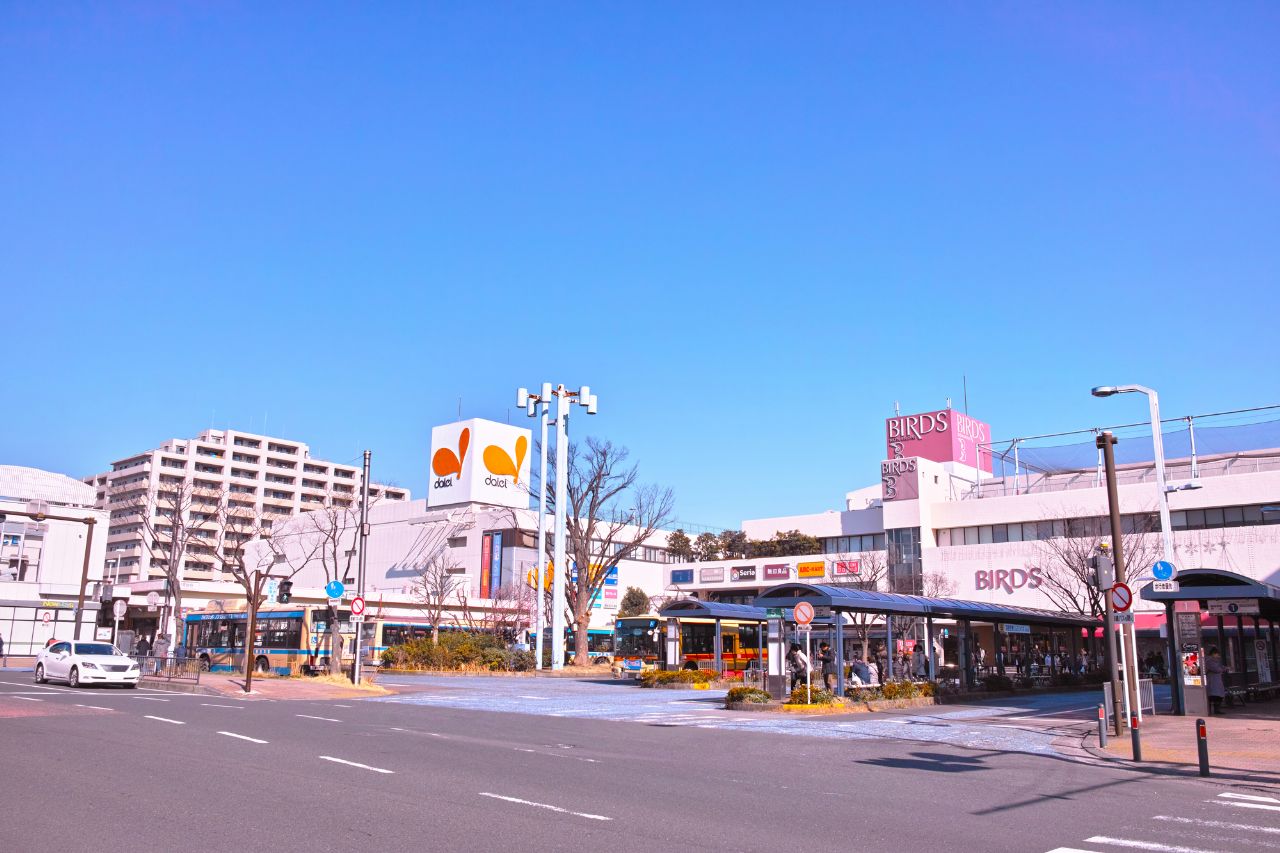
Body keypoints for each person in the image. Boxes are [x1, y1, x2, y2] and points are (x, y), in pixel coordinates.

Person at [1205, 647, 1228, 715]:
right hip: (1212, 681)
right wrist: (1223, 669)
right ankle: (1211, 710)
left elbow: (1220, 667)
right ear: (1213, 654)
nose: (1218, 656)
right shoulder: (1209, 661)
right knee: (1213, 696)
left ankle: (1216, 710)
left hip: (1216, 681)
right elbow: (1217, 669)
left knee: (1217, 696)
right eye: (1217, 654)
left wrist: (1223, 668)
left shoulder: (1216, 661)